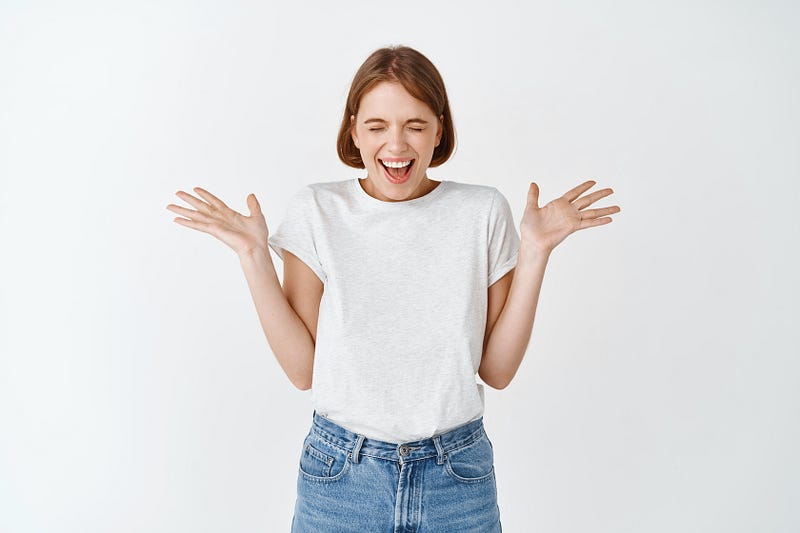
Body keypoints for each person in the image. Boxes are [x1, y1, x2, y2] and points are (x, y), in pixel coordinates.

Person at [166, 45, 620, 532]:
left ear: (439, 130)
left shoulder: (482, 212)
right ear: (354, 130)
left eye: (416, 125)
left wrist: (535, 253)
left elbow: (498, 370)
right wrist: (252, 255)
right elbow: (303, 371)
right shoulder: (317, 211)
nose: (397, 145)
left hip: (457, 476)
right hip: (341, 476)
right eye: (378, 126)